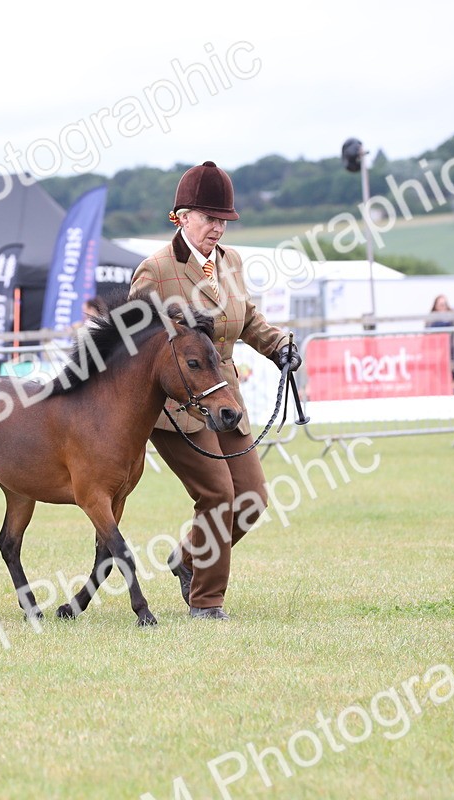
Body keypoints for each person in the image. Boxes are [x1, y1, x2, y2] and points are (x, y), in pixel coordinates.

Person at [129, 161, 301, 621]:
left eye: (224, 220)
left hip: (224, 397)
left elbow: (246, 317)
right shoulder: (156, 270)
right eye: (209, 218)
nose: (218, 228)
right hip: (177, 406)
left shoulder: (231, 262)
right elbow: (133, 342)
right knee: (218, 494)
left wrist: (278, 346)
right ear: (182, 217)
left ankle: (188, 558)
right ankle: (206, 602)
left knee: (252, 497)